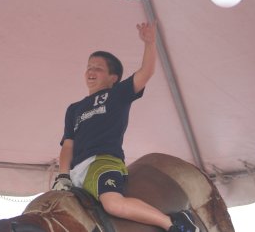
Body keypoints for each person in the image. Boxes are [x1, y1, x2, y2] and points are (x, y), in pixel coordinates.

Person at [52, 21, 200, 232]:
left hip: (104, 162)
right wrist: (63, 176)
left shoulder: (116, 94)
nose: (90, 71)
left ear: (113, 78)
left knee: (113, 203)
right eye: (88, 67)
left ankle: (174, 224)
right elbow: (68, 146)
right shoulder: (74, 108)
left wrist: (149, 43)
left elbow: (146, 72)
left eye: (98, 68)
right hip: (75, 173)